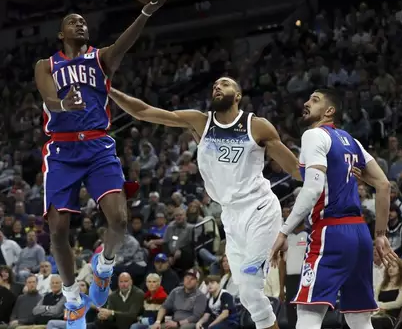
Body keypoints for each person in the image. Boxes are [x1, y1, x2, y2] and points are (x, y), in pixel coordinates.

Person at [109, 77, 300, 329]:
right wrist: (109, 89)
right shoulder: (200, 121)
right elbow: (144, 112)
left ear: (238, 95)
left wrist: (331, 179)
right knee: (247, 295)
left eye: (225, 84)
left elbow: (296, 169)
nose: (217, 87)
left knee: (252, 287)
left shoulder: (256, 126)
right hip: (230, 215)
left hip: (260, 210)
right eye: (214, 85)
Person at [34, 0, 169, 328]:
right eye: (72, 22)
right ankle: (72, 298)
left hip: (97, 145)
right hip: (62, 149)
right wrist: (64, 105)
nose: (80, 25)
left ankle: (104, 268)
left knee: (120, 220)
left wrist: (147, 11)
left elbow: (126, 41)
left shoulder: (100, 58)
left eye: (83, 22)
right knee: (58, 228)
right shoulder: (46, 65)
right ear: (60, 33)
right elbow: (49, 99)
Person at [269, 88, 398, 329]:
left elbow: (313, 189)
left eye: (315, 100)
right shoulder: (352, 141)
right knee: (359, 318)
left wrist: (284, 231)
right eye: (308, 99)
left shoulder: (313, 135)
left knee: (308, 312)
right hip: (360, 234)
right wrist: (380, 235)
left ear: (329, 111)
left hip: (330, 232)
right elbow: (382, 184)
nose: (306, 103)